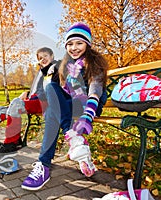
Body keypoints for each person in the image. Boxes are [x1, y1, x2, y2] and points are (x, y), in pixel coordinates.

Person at [21, 22, 109, 191]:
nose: (73, 48)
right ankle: (75, 144)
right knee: (51, 90)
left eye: (79, 43)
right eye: (69, 44)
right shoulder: (66, 66)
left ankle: (45, 164)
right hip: (72, 107)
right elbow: (57, 91)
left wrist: (87, 116)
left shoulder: (94, 63)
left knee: (54, 114)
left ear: (88, 44)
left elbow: (95, 91)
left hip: (91, 105)